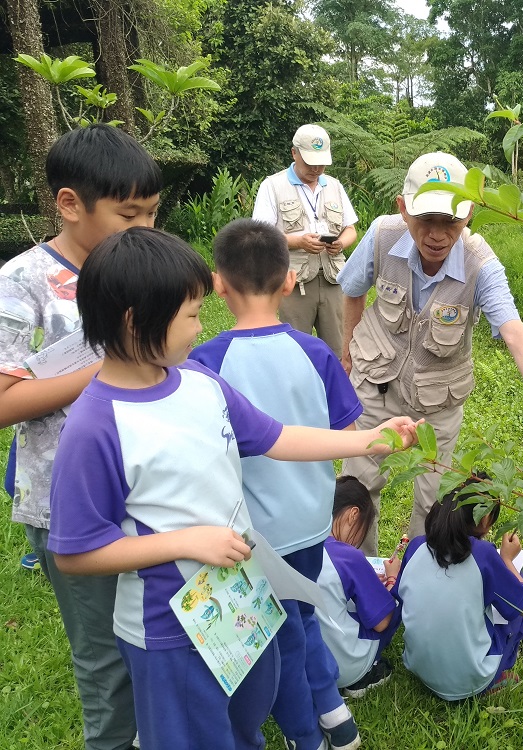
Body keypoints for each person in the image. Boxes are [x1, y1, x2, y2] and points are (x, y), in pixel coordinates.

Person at [46, 227, 418, 750]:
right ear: (136, 321)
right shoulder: (95, 426)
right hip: (171, 632)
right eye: (191, 315)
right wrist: (185, 543)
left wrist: (363, 438)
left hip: (242, 601)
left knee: (244, 726)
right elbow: (75, 553)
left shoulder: (200, 382)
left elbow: (276, 437)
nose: (201, 327)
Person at [0, 123, 161, 750]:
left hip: (150, 488)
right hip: (72, 504)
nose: (145, 228)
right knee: (105, 659)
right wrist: (108, 364)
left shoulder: (143, 269)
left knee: (155, 636)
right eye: (129, 214)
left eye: (152, 213)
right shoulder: (24, 282)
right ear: (70, 204)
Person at [189, 218, 363, 750]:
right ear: (290, 281)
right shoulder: (315, 353)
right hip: (312, 521)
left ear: (218, 283)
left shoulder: (205, 363)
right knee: (301, 618)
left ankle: (306, 737)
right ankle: (336, 718)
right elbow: (346, 430)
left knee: (277, 637)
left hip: (255, 536)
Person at [338, 151, 523, 554]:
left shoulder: (482, 265)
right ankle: (360, 577)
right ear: (404, 209)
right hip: (373, 386)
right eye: (427, 220)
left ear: (470, 214)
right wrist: (347, 351)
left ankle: (416, 582)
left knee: (431, 497)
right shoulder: (381, 235)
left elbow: (514, 330)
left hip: (437, 403)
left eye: (451, 222)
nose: (438, 235)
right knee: (357, 489)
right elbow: (353, 290)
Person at [393, 478, 523, 700]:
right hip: (471, 679)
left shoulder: (416, 546)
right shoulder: (485, 555)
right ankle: (495, 676)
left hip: (419, 667)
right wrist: (507, 560)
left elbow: (402, 595)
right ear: (485, 518)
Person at [252, 124, 358, 358]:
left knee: (340, 350)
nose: (316, 168)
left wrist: (341, 243)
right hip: (294, 281)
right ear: (294, 153)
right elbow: (261, 236)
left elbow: (350, 229)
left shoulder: (334, 186)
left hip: (333, 279)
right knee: (295, 351)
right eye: (310, 161)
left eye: (321, 162)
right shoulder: (273, 186)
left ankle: (335, 393)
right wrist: (298, 241)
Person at [316, 475, 401, 697]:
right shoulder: (348, 556)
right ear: (354, 515)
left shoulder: (297, 542)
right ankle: (365, 675)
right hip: (345, 668)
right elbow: (382, 622)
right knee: (393, 603)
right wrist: (392, 580)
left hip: (307, 665)